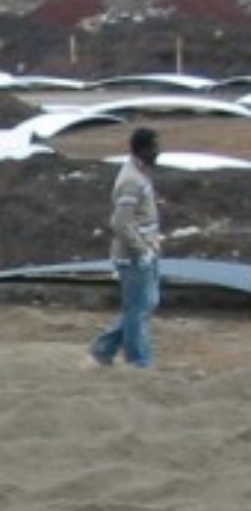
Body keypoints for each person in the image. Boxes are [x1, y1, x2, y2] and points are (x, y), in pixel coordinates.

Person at [88, 125, 164, 370]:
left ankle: (104, 349)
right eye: (154, 147)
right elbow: (121, 222)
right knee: (138, 310)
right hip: (133, 257)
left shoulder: (139, 174)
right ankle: (138, 362)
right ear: (143, 149)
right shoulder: (131, 180)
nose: (158, 152)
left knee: (144, 304)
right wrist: (140, 250)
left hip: (145, 251)